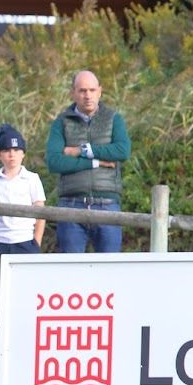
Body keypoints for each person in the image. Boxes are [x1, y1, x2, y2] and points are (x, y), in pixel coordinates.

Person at [46, 70, 131, 253]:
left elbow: (122, 151)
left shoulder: (114, 119)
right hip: (71, 204)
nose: (88, 95)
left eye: (92, 90)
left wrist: (83, 151)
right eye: (82, 90)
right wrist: (96, 162)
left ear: (100, 91)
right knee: (71, 273)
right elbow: (54, 162)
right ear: (73, 92)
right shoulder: (61, 122)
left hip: (107, 203)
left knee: (109, 271)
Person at [0, 124, 46, 254]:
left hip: (25, 240)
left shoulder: (32, 178)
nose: (12, 155)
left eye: (16, 150)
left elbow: (41, 213)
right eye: (6, 150)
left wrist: (36, 242)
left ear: (23, 154)